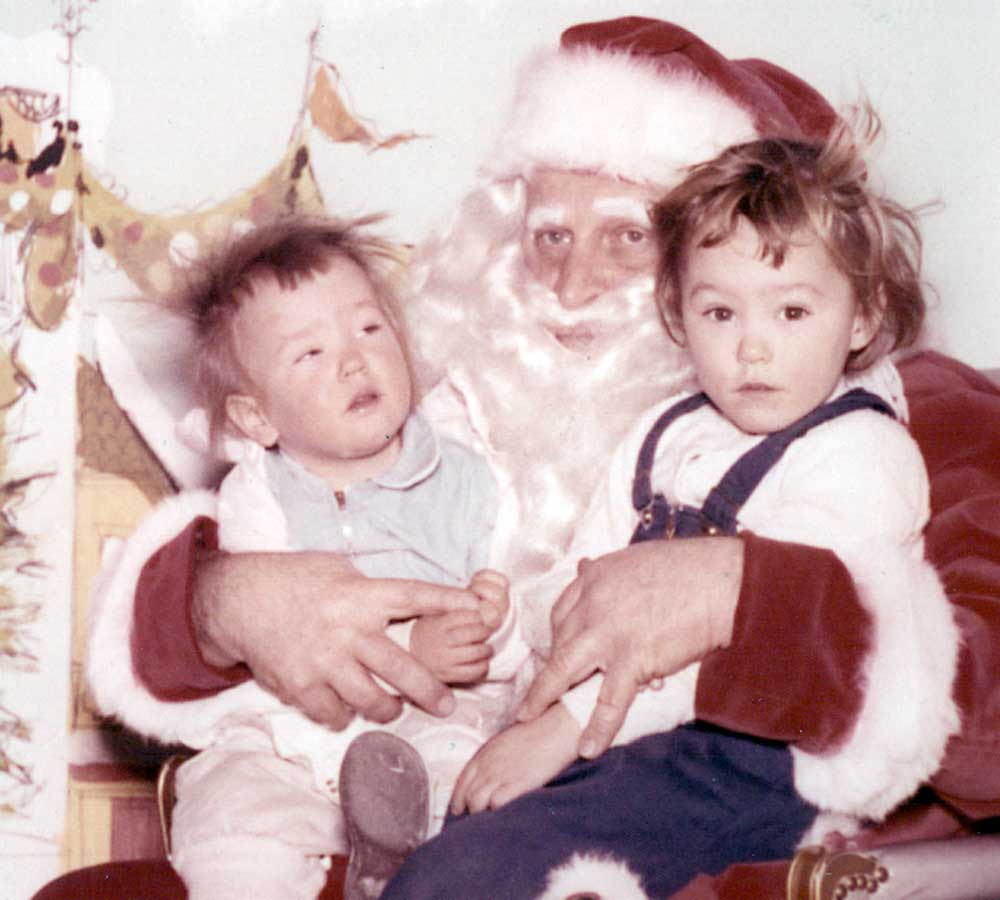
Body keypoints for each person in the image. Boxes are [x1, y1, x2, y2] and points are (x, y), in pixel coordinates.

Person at [39, 16, 1000, 900]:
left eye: (628, 236)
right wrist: (229, 602)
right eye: (549, 238)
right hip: (364, 802)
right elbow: (249, 530)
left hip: (715, 848)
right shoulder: (451, 392)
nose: (573, 285)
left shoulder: (915, 412)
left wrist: (739, 596)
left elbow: (987, 715)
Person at [430, 121, 959, 898]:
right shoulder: (664, 431)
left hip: (755, 763)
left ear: (863, 315)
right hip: (628, 739)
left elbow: (755, 636)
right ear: (678, 314)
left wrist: (566, 728)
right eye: (721, 313)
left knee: (471, 873)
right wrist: (526, 626)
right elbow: (583, 577)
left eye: (791, 313)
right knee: (468, 821)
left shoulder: (864, 454)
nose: (752, 348)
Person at [98, 215, 520, 900]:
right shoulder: (255, 497)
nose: (353, 360)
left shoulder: (471, 478)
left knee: (473, 794)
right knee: (233, 812)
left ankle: (403, 870)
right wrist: (405, 645)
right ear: (257, 418)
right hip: (288, 727)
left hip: (430, 720)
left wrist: (490, 627)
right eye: (310, 354)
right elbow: (273, 632)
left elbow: (511, 615)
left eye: (370, 328)